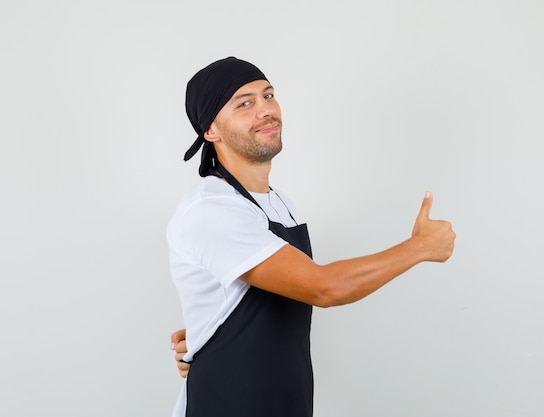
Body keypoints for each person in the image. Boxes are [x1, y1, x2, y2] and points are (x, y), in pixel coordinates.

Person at [167, 56, 456, 417]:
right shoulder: (211, 210)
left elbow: (252, 304)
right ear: (211, 131)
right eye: (245, 103)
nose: (266, 110)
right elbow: (324, 287)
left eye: (268, 96)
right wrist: (420, 248)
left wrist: (203, 332)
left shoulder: (280, 203)